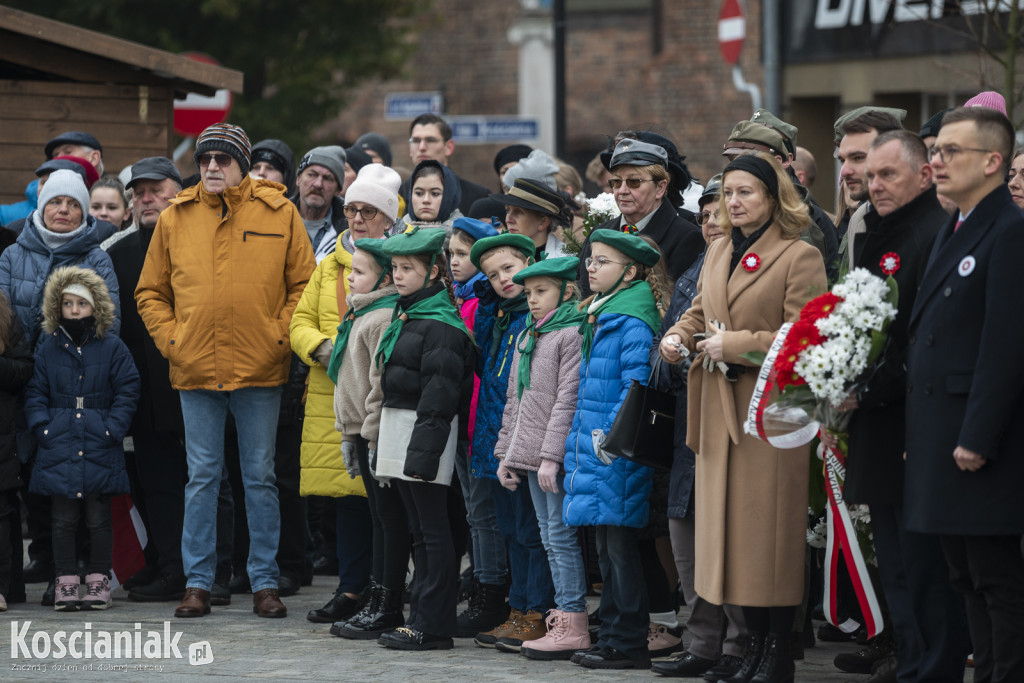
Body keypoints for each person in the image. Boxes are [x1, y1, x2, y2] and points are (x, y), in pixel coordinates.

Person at [135, 122, 316, 619]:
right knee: (202, 477)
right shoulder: (176, 218)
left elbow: (305, 285)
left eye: (223, 159)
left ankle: (264, 582)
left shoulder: (282, 212)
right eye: (204, 159)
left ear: (241, 163)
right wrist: (175, 340)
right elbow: (150, 292)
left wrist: (279, 335)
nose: (212, 167)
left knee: (259, 476)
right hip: (195, 366)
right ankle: (198, 583)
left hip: (261, 366)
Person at [660, 152, 827, 683]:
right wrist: (678, 336)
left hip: (769, 418)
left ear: (774, 197)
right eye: (728, 193)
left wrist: (734, 344)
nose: (733, 202)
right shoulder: (719, 249)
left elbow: (809, 337)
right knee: (727, 542)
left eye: (745, 192)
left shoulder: (800, 256)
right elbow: (698, 310)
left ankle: (775, 653)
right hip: (716, 412)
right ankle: (744, 650)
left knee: (766, 540)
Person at [824, 129, 970, 683]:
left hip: (915, 424)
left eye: (888, 174)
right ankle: (912, 663)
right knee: (898, 565)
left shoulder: (936, 234)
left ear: (923, 175)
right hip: (876, 426)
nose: (871, 182)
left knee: (926, 567)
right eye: (869, 173)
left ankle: (934, 668)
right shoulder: (875, 233)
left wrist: (866, 386)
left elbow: (922, 337)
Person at [905, 106, 1024, 683]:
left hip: (978, 442)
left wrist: (977, 436)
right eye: (936, 149)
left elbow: (1004, 347)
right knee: (963, 575)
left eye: (952, 151)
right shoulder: (959, 226)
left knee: (995, 577)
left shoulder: (1009, 229)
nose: (937, 160)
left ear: (992, 161)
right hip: (941, 434)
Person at [651, 175, 749, 681]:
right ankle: (702, 639)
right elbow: (680, 322)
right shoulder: (699, 265)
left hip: (734, 412)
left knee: (725, 536)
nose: (711, 221)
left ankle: (736, 644)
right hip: (689, 415)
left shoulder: (753, 260)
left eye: (720, 211)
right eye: (705, 213)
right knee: (685, 534)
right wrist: (673, 343)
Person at [563, 230, 669, 670]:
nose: (591, 267)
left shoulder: (632, 320)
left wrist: (607, 440)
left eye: (602, 262)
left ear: (632, 271)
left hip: (615, 451)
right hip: (598, 447)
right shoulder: (603, 313)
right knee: (606, 547)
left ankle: (627, 642)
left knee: (621, 548)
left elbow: (634, 386)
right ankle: (611, 634)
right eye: (590, 260)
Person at [373, 227, 475, 651]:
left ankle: (432, 625)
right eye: (394, 267)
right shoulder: (410, 315)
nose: (398, 275)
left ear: (433, 271)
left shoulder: (441, 327)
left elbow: (438, 401)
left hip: (424, 434)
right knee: (418, 530)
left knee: (433, 530)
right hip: (403, 430)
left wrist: (423, 456)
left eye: (407, 268)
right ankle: (423, 618)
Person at [25, 266, 139, 611]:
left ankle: (98, 579)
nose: (74, 310)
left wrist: (112, 428)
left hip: (99, 444)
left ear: (97, 307)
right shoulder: (48, 348)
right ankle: (65, 582)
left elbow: (128, 389)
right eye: (68, 304)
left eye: (82, 304)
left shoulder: (112, 347)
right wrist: (43, 428)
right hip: (59, 443)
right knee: (62, 518)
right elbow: (35, 392)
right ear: (56, 307)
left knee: (98, 517)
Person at [493, 256, 588, 660]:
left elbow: (567, 400)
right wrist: (505, 454)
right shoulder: (529, 335)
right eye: (529, 293)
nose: (532, 300)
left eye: (541, 291)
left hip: (552, 458)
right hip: (529, 456)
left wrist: (551, 457)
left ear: (566, 291)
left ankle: (573, 620)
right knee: (548, 537)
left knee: (561, 539)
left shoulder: (570, 334)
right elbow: (515, 399)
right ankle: (563, 617)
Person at [106, 157, 191, 604]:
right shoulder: (117, 254)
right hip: (143, 395)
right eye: (138, 192)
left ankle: (201, 570)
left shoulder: (199, 244)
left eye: (156, 189)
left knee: (207, 484)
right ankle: (164, 564)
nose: (146, 198)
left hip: (195, 386)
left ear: (178, 192)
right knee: (154, 483)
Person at [467, 233, 555, 648]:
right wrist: (487, 299)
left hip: (526, 438)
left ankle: (538, 609)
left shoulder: (537, 316)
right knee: (509, 529)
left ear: (530, 261)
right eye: (492, 274)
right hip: (494, 440)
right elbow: (480, 354)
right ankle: (517, 608)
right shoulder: (499, 315)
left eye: (509, 269)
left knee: (530, 529)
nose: (502, 279)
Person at [326, 239, 405, 639]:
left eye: (358, 272)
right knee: (377, 518)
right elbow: (348, 381)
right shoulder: (362, 313)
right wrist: (348, 432)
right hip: (360, 430)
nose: (349, 278)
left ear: (385, 278)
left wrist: (371, 438)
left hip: (376, 432)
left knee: (388, 519)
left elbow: (378, 384)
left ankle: (388, 600)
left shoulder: (382, 316)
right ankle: (377, 596)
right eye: (349, 271)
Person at [444, 218, 510, 638]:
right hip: (463, 420)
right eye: (450, 253)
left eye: (462, 253)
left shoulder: (481, 302)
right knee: (473, 510)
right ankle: (484, 580)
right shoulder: (458, 297)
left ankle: (491, 591)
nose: (454, 261)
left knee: (484, 512)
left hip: (480, 419)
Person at [576, 139, 703, 295]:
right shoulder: (600, 232)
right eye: (616, 182)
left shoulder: (686, 237)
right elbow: (582, 295)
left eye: (634, 182)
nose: (622, 190)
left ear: (660, 188)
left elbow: (675, 306)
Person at [0, 289, 34, 612]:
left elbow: (24, 369)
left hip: (3, 436)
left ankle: (5, 587)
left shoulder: (7, 317)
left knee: (3, 512)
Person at [402, 114, 489, 215]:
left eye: (430, 140)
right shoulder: (397, 194)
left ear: (448, 147)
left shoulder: (476, 196)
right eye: (416, 141)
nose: (422, 147)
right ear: (410, 148)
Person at [492, 178, 573, 261]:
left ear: (543, 222)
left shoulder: (564, 261)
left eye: (519, 212)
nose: (508, 220)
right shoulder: (495, 256)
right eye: (507, 210)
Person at [293, 146, 348, 264]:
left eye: (328, 179)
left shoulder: (350, 230)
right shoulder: (277, 219)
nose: (318, 184)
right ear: (298, 179)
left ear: (338, 190)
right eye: (312, 174)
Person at [401, 160, 463, 230]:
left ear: (449, 196)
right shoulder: (396, 234)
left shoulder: (466, 236)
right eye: (419, 193)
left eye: (435, 194)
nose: (426, 200)